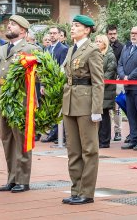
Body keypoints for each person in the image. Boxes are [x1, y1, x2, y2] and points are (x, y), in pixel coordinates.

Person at [0, 15, 40, 193]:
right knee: (7, 141)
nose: (9, 26)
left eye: (13, 25)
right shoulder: (2, 50)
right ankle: (12, 178)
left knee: (22, 141)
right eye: (9, 23)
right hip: (2, 100)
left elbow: (38, 76)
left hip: (20, 101)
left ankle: (23, 180)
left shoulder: (30, 49)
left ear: (23, 31)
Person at [61, 15, 103, 205]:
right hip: (70, 103)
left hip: (86, 105)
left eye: (76, 26)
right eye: (72, 25)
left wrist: (96, 109)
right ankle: (76, 190)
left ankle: (87, 192)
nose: (72, 28)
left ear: (87, 30)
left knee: (89, 150)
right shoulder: (72, 49)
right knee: (73, 150)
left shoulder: (92, 50)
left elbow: (98, 82)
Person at [41, 26, 68, 143]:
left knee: (58, 110)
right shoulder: (46, 49)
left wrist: (59, 84)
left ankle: (57, 135)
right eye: (50, 33)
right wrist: (42, 84)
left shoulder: (63, 49)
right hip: (47, 84)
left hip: (57, 84)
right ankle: (53, 133)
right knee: (50, 109)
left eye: (54, 33)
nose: (52, 35)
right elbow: (43, 68)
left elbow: (62, 68)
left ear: (59, 35)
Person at [95, 34, 117, 148]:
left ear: (105, 43)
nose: (97, 43)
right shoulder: (95, 55)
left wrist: (98, 83)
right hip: (97, 88)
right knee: (98, 115)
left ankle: (105, 140)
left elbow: (110, 72)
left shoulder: (110, 56)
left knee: (104, 115)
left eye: (99, 41)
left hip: (106, 89)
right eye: (96, 41)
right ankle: (98, 138)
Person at [107, 24, 124, 142]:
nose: (112, 36)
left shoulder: (122, 47)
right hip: (106, 81)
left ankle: (118, 131)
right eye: (110, 34)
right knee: (106, 108)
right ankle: (106, 132)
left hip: (117, 80)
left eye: (114, 34)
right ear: (107, 34)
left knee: (117, 108)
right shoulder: (103, 46)